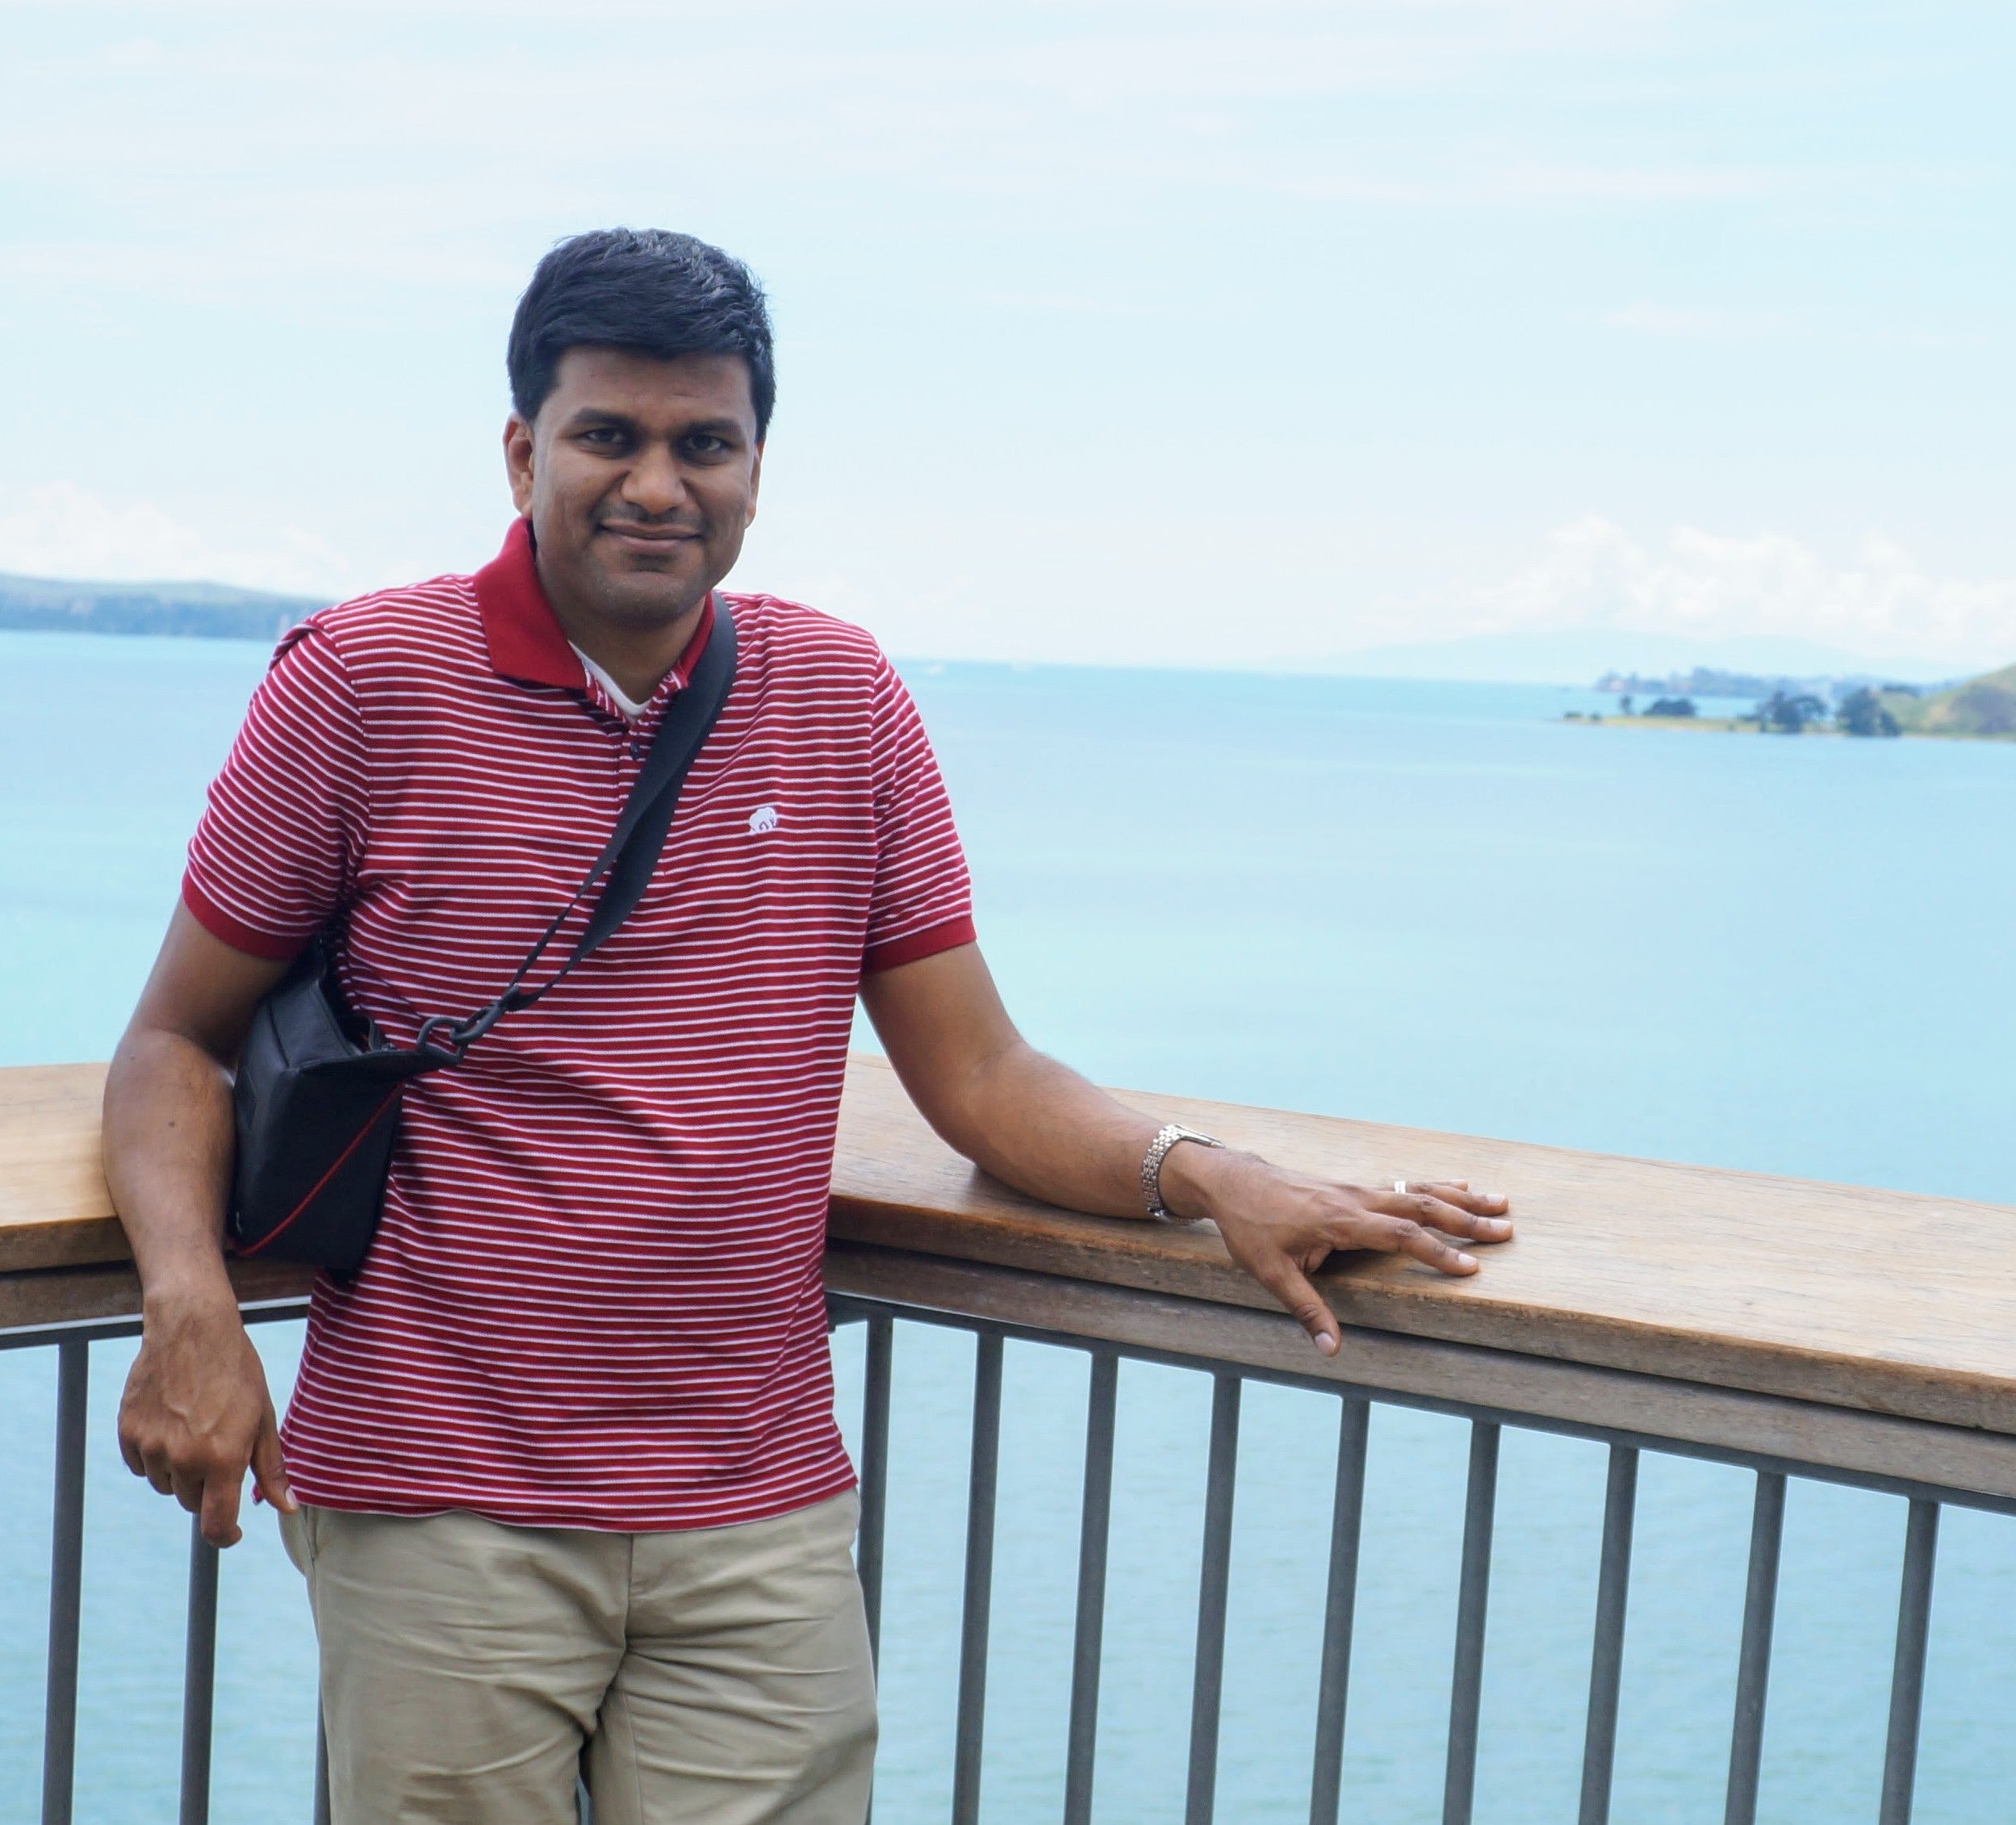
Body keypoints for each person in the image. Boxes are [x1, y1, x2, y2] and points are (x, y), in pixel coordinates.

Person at [103, 227, 1512, 1823]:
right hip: (442, 1501)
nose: (657, 485)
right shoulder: (365, 682)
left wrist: (1211, 1175)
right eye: (608, 436)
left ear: (758, 470)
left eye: (704, 444)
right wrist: (189, 1305)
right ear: (521, 454)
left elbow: (979, 1072)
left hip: (755, 1508)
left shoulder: (841, 696)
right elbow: (175, 1041)